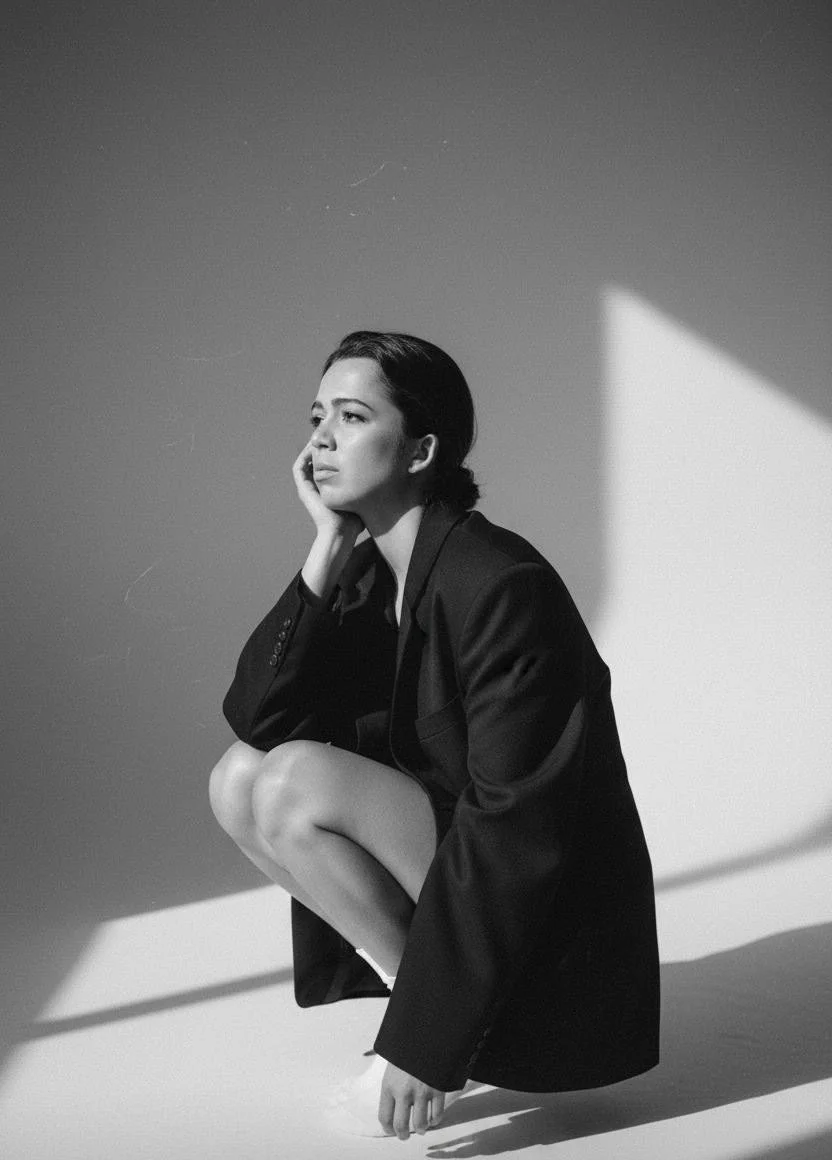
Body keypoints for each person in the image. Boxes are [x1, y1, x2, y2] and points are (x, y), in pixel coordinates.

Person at [210, 331, 660, 1141]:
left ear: (422, 451)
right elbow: (257, 718)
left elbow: (515, 825)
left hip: (548, 918)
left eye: (352, 417)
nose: (320, 441)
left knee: (291, 781)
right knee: (239, 777)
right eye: (317, 417)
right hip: (466, 878)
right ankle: (416, 1001)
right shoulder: (367, 572)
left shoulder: (500, 584)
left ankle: (435, 1024)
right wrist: (327, 545)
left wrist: (428, 1043)